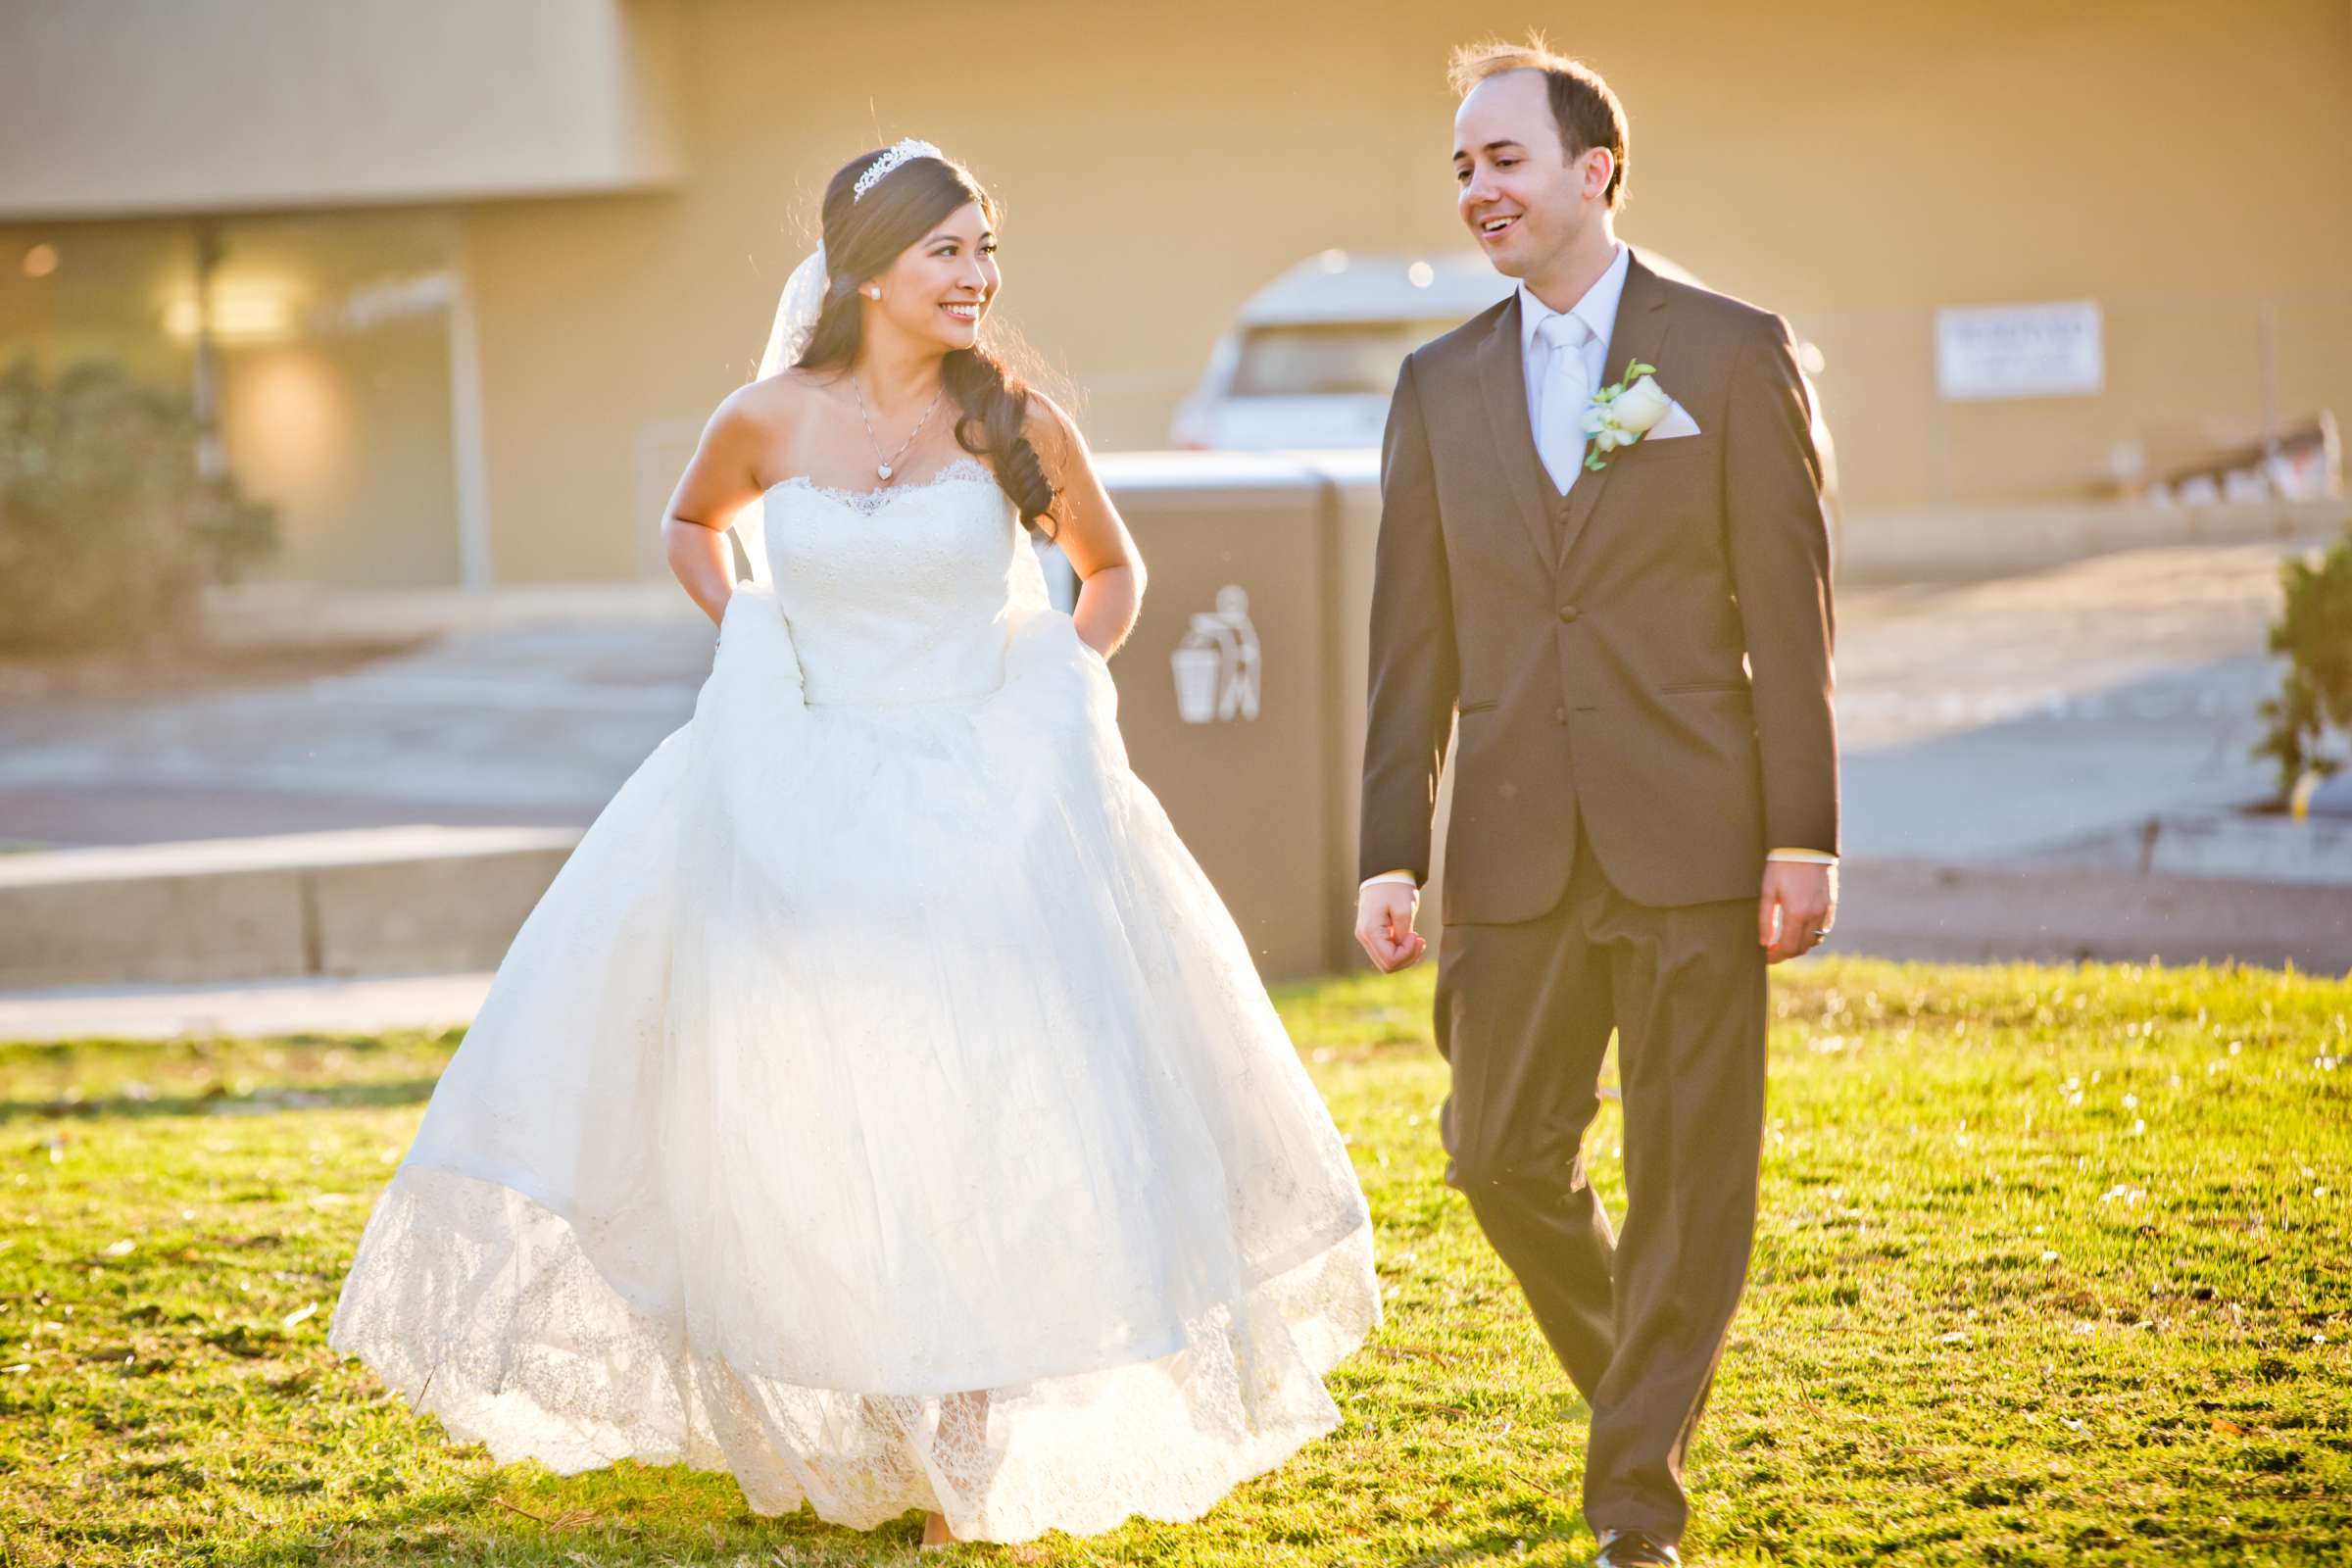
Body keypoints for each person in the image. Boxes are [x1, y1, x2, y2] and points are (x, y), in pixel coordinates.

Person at [327, 138, 1380, 1551]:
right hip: (802, 779)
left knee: (981, 1094)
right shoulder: (766, 417)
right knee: (837, 1084)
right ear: (871, 264)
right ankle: (876, 1387)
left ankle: (965, 1431)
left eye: (986, 250)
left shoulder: (1011, 418)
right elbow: (693, 525)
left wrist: (1053, 689)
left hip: (984, 790)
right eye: (949, 249)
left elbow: (1114, 569)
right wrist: (753, 630)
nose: (978, 276)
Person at [1353, 38, 1840, 1568]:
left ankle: (1636, 1502)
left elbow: (1792, 604)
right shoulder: (1435, 388)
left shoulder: (1729, 350)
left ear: (1594, 170)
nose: (1477, 189)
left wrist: (1802, 827)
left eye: (1503, 159)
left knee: (1692, 1179)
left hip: (1696, 831)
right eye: (1462, 168)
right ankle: (1647, 1388)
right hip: (1508, 844)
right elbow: (1409, 641)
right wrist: (1388, 850)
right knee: (1498, 1156)